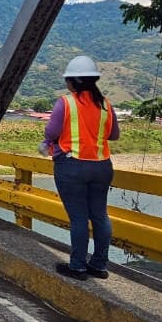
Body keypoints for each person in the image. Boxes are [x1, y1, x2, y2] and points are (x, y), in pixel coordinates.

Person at [40, 55, 120, 281]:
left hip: (72, 166)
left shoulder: (66, 103)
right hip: (102, 166)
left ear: (74, 80)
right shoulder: (105, 104)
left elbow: (51, 133)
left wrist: (49, 143)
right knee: (100, 216)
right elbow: (114, 135)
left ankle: (77, 266)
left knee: (78, 218)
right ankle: (99, 265)